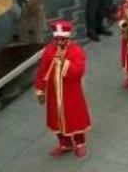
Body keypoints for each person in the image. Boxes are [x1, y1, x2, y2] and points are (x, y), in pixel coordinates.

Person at [34, 20, 91, 158]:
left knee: (75, 118)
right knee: (56, 120)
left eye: (62, 39)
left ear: (68, 37)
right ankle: (65, 143)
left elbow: (79, 71)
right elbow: (42, 71)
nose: (59, 42)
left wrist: (63, 63)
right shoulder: (49, 50)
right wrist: (40, 90)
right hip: (54, 93)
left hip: (71, 93)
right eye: (56, 39)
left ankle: (79, 143)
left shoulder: (76, 51)